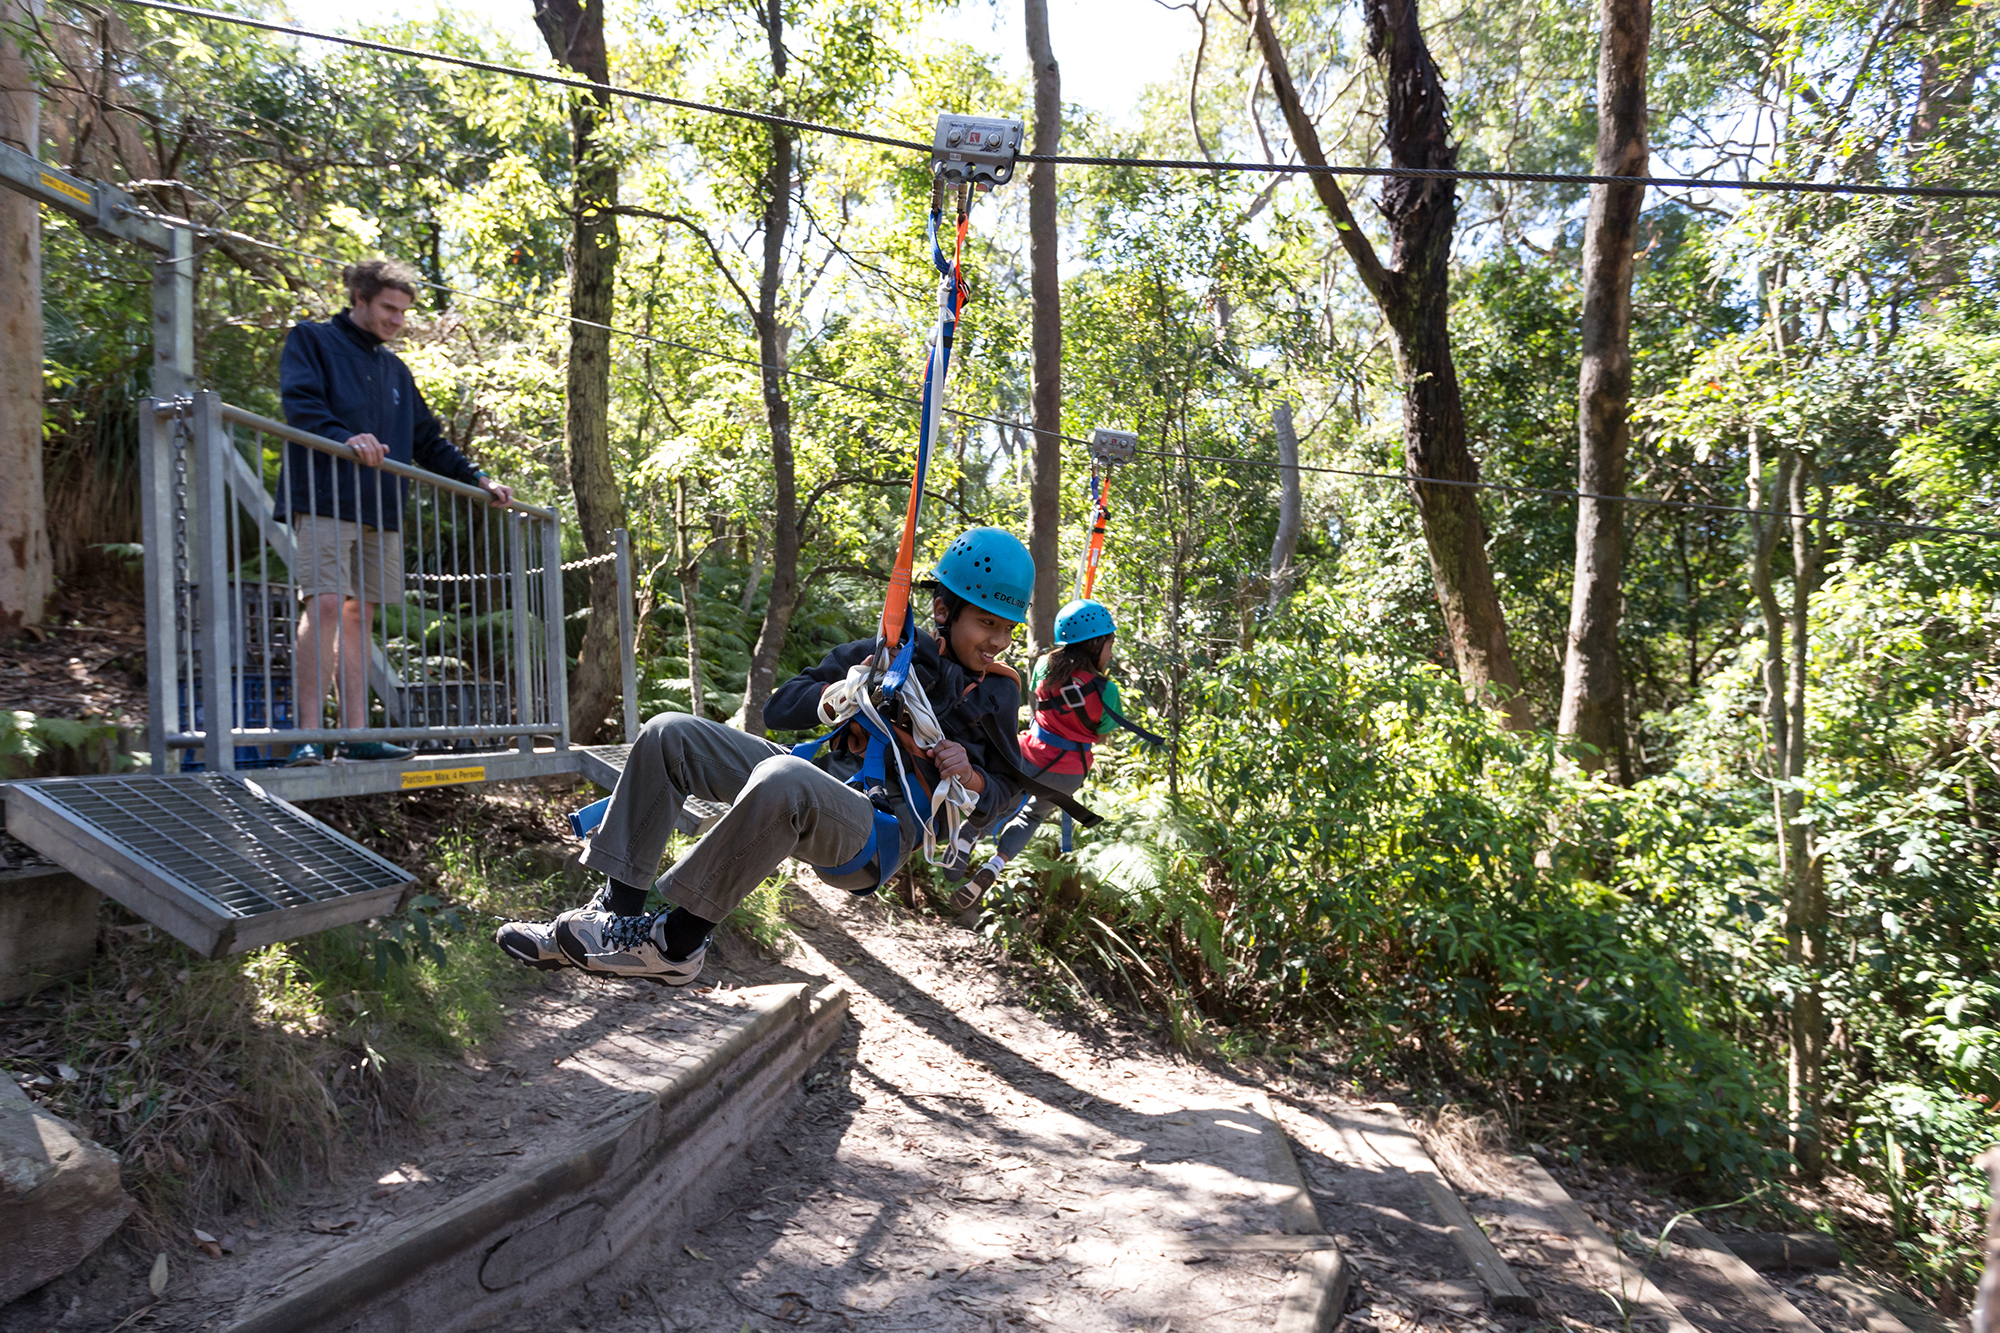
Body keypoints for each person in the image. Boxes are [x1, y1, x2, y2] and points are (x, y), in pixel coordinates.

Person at [494, 527, 1069, 986]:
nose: (996, 641)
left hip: (874, 832)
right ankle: (614, 917)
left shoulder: (997, 690)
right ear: (943, 611)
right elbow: (779, 707)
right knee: (670, 732)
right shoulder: (886, 654)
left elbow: (1005, 795)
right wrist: (837, 698)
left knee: (783, 775)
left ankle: (677, 943)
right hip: (809, 781)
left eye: (1006, 629)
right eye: (986, 624)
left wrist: (968, 775)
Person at [276, 258, 514, 764]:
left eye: (403, 312)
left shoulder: (396, 370)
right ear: (359, 298)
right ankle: (307, 734)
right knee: (323, 604)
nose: (397, 321)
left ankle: (357, 733)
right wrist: (344, 437)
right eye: (389, 308)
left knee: (361, 614)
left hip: (381, 506)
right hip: (324, 496)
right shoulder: (312, 340)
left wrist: (478, 479)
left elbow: (427, 441)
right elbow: (301, 405)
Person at [947, 598, 1141, 915]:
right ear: (1095, 644)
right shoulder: (1107, 690)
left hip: (1031, 753)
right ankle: (996, 865)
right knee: (1032, 816)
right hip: (1070, 772)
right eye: (1109, 644)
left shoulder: (1044, 666)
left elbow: (1038, 710)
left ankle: (969, 836)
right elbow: (1102, 737)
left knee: (1004, 798)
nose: (1111, 652)